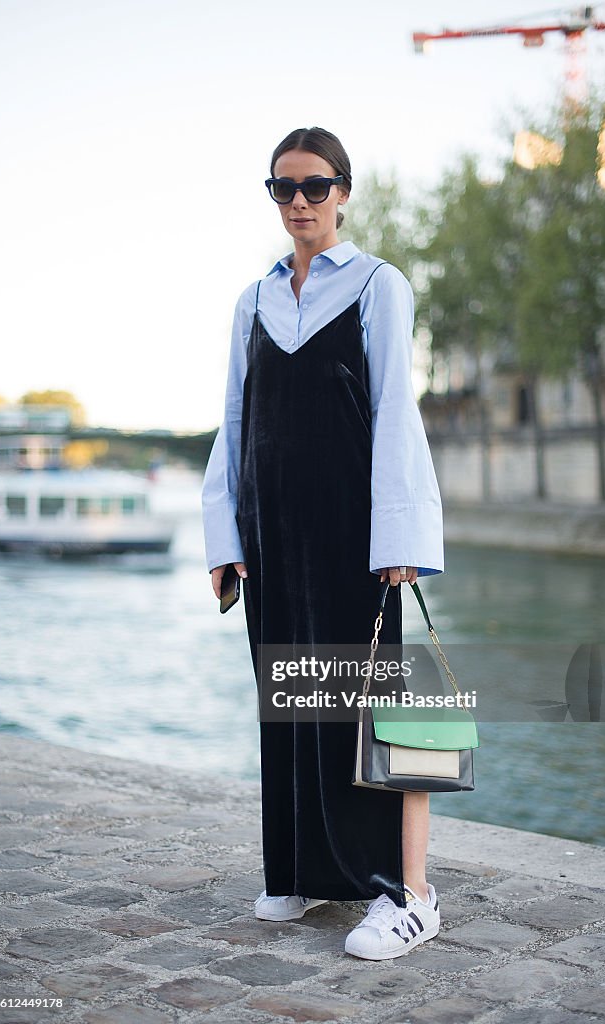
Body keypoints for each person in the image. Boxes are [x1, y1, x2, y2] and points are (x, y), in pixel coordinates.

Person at [202, 127, 445, 960]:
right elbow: (234, 423)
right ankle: (300, 871)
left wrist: (400, 535)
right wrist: (224, 536)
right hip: (272, 531)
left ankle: (407, 895)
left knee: (375, 709)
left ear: (344, 191)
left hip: (356, 532)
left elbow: (394, 411)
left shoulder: (380, 285)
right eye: (282, 189)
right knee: (295, 701)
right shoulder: (252, 300)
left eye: (313, 186)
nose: (298, 202)